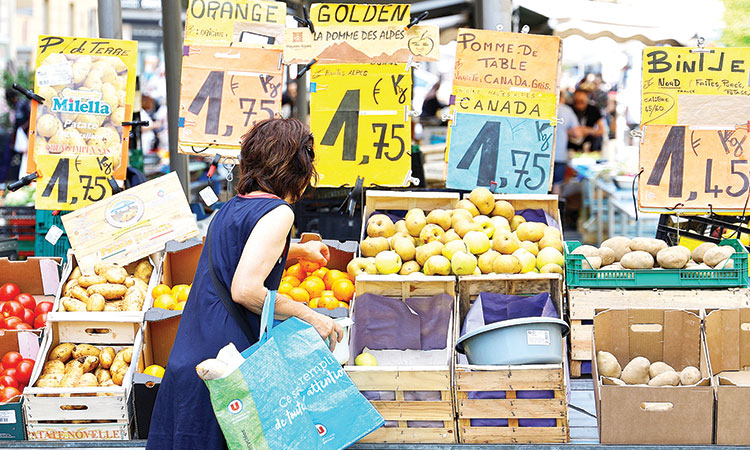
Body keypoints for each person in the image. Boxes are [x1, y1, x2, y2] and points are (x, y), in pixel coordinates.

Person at [147, 118, 344, 450]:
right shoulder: (279, 212)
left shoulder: (230, 208)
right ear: (297, 167)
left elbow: (238, 251)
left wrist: (299, 250)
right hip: (226, 372)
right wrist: (309, 314)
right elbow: (245, 289)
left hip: (190, 361)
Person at [552, 97, 582, 195]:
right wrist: (566, 131)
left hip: (539, 154)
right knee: (556, 187)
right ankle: (555, 210)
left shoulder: (542, 105)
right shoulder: (567, 110)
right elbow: (577, 133)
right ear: (562, 98)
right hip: (559, 154)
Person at [569, 88, 606, 153]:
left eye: (581, 101)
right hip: (570, 148)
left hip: (588, 148)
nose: (579, 104)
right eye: (576, 101)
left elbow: (602, 130)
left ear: (587, 99)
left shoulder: (593, 110)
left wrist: (589, 131)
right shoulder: (569, 109)